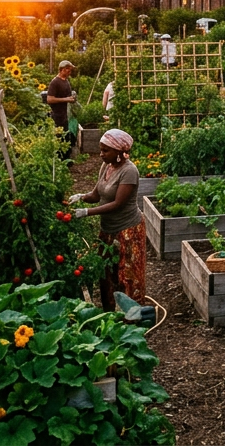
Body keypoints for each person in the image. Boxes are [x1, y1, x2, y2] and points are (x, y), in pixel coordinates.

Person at [70, 128, 145, 311]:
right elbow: (97, 194)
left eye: (105, 150)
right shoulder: (107, 166)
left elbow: (118, 203)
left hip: (127, 230)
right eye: (101, 149)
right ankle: (110, 314)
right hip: (108, 230)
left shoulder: (129, 171)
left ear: (119, 152)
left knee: (126, 276)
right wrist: (81, 197)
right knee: (106, 272)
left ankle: (131, 317)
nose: (101, 154)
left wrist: (87, 212)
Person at [46, 61, 77, 148]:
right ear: (63, 69)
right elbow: (49, 99)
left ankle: (65, 159)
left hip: (64, 116)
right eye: (68, 70)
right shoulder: (55, 82)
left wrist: (72, 98)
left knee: (65, 139)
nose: (70, 73)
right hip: (56, 116)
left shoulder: (66, 81)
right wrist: (66, 99)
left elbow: (68, 96)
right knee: (58, 139)